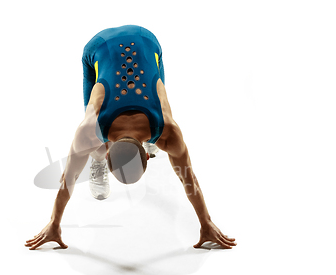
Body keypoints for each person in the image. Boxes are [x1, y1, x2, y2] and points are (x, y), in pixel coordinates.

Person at [25, 25, 237, 250]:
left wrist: (206, 223)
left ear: (145, 152)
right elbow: (188, 178)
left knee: (92, 142)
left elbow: (70, 178)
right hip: (102, 48)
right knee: (91, 145)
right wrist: (53, 223)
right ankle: (96, 159)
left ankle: (99, 153)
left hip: (146, 43)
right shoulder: (92, 128)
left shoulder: (167, 129)